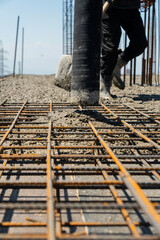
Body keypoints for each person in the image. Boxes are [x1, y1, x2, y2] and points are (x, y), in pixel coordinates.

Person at [100, 0, 148, 99]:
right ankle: (104, 85)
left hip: (131, 8)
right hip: (110, 8)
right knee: (110, 47)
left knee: (140, 43)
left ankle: (118, 63)